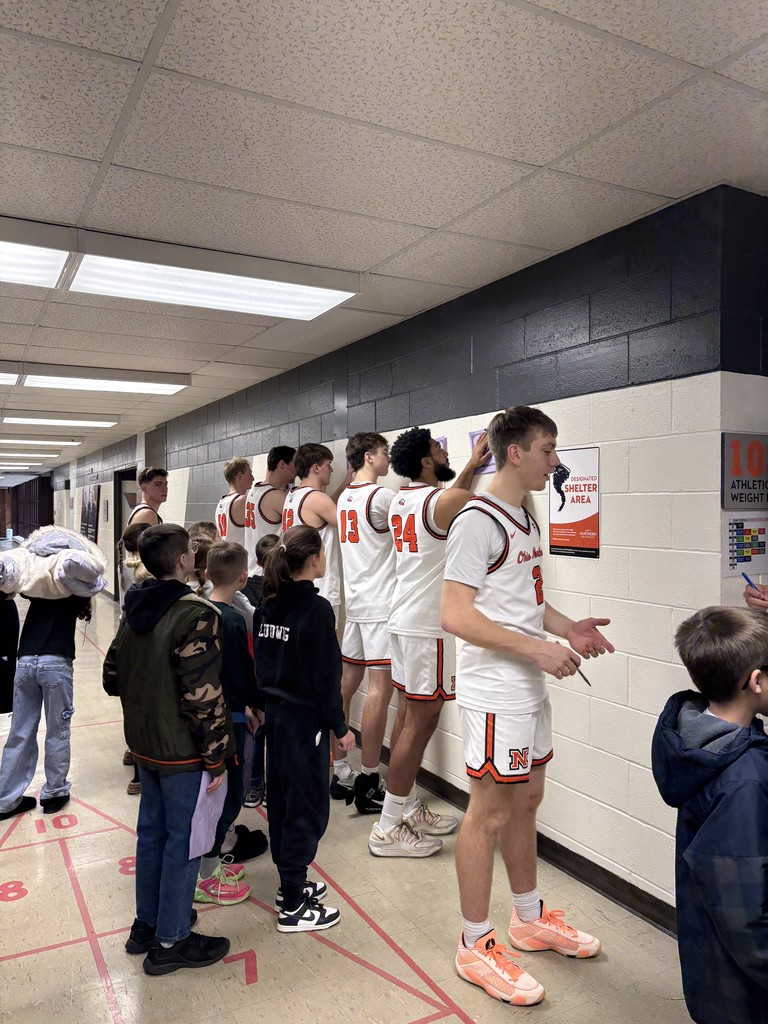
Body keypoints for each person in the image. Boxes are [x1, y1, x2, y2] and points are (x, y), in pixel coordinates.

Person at [442, 406, 613, 1005]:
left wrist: (566, 630)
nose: (555, 461)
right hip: (495, 690)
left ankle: (528, 917)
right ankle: (474, 943)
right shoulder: (477, 519)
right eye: (547, 449)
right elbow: (455, 614)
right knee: (487, 814)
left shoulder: (526, 513)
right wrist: (537, 649)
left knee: (527, 801)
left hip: (527, 687)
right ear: (514, 452)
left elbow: (524, 603)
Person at [103, 523, 234, 976]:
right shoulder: (195, 614)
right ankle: (171, 940)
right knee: (185, 840)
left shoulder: (134, 607)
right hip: (183, 750)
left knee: (152, 835)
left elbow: (111, 676)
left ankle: (147, 924)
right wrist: (216, 755)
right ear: (183, 561)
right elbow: (203, 695)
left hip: (144, 744)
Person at [368, 428, 490, 858]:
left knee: (408, 718)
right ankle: (387, 828)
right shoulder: (441, 501)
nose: (446, 452)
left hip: (403, 620)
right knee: (420, 723)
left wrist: (469, 466)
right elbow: (464, 500)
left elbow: (446, 498)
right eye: (440, 449)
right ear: (425, 461)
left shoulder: (402, 499)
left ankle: (403, 808)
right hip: (425, 628)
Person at [652, 605, 768, 1024]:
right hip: (744, 991)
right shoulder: (743, 780)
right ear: (756, 681)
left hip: (714, 963)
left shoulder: (699, 736)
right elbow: (744, 914)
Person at [255, 526, 355, 932]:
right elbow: (326, 677)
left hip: (276, 722)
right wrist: (340, 727)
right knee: (306, 810)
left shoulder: (267, 605)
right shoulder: (315, 610)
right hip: (303, 726)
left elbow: (263, 665)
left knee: (282, 805)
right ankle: (293, 906)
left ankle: (289, 886)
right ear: (313, 559)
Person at [195, 541, 267, 907]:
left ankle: (205, 867)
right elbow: (241, 673)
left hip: (204, 717)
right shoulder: (233, 620)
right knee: (230, 797)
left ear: (207, 573)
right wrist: (256, 706)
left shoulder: (196, 609)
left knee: (213, 798)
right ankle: (206, 876)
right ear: (243, 577)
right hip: (230, 720)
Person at [336, 432, 404, 813]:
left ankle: (338, 767)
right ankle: (368, 778)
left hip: (357, 604)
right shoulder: (380, 497)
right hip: (379, 606)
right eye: (384, 452)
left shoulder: (345, 496)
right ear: (367, 457)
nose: (388, 459)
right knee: (380, 690)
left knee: (347, 685)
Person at [0, 594, 91, 820]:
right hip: (56, 662)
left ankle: (6, 800)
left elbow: (23, 589)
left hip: (25, 661)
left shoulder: (40, 587)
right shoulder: (73, 588)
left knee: (19, 732)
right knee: (57, 730)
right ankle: (54, 793)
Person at [281, 444, 350, 626]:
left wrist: (344, 485)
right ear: (316, 468)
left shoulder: (293, 495)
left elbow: (324, 511)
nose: (331, 469)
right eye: (328, 464)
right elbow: (351, 525)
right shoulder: (317, 499)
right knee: (325, 640)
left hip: (298, 583)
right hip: (320, 586)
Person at [243, 533, 280, 809]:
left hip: (268, 672)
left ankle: (260, 785)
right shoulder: (249, 591)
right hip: (261, 671)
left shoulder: (283, 592)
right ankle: (257, 783)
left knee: (265, 730)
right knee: (262, 730)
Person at [242, 446, 296, 608]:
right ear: (282, 464)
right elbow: (308, 515)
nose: (298, 469)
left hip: (252, 572)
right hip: (267, 576)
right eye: (295, 464)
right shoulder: (275, 496)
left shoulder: (253, 491)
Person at [215, 457, 254, 545]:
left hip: (227, 551)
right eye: (250, 474)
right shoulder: (242, 501)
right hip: (239, 552)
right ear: (240, 476)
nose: (253, 478)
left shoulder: (221, 502)